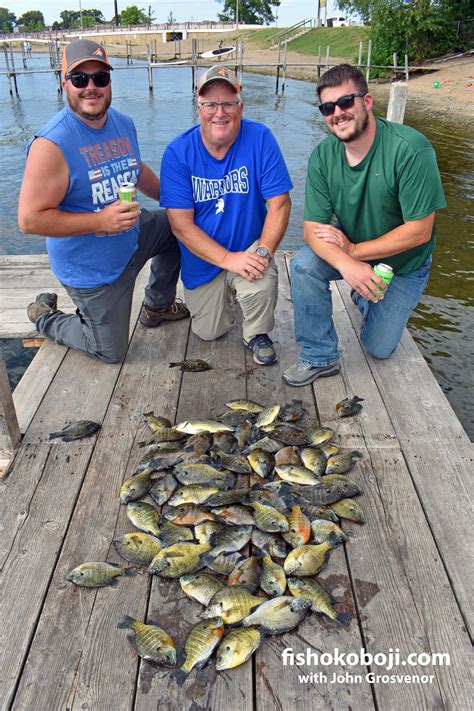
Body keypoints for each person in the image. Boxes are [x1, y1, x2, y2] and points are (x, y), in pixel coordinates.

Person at [18, 39, 189, 364]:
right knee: (110, 351)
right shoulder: (52, 144)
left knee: (180, 226)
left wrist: (179, 201)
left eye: (100, 78)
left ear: (110, 81)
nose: (91, 87)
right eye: (80, 79)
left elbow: (136, 170)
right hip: (92, 271)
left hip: (132, 236)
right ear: (64, 82)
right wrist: (100, 221)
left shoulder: (123, 123)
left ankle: (156, 304)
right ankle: (44, 316)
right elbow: (29, 220)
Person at [283, 64, 446, 387]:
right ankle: (319, 356)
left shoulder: (411, 149)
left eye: (346, 102)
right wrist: (347, 263)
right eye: (328, 108)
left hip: (403, 263)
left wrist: (355, 251)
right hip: (352, 247)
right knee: (303, 266)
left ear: (367, 101)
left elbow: (419, 231)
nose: (338, 113)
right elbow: (311, 229)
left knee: (379, 348)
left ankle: (365, 297)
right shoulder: (323, 156)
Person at [160, 66, 293, 365]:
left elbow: (281, 204)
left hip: (247, 245)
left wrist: (263, 252)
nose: (220, 112)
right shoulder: (177, 153)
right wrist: (228, 260)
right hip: (204, 259)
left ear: (240, 106)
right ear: (199, 108)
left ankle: (256, 333)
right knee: (209, 332)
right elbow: (180, 226)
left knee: (260, 278)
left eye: (228, 103)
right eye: (210, 104)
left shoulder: (260, 138)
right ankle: (226, 295)